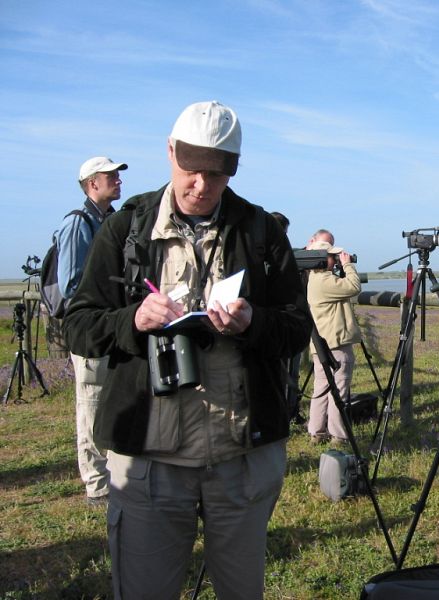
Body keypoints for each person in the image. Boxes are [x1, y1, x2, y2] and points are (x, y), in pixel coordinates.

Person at [64, 100, 312, 599]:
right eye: (191, 171)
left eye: (216, 176)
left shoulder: (262, 232)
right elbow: (78, 325)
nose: (201, 186)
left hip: (241, 460)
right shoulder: (125, 228)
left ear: (233, 171)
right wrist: (132, 320)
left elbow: (296, 329)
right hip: (149, 466)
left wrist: (253, 323)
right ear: (170, 151)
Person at [58, 156, 128, 505]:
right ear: (91, 184)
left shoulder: (112, 222)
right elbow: (72, 285)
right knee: (92, 402)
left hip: (114, 324)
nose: (118, 180)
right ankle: (97, 484)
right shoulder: (78, 223)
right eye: (110, 176)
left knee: (111, 398)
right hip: (94, 329)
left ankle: (113, 475)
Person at [306, 238, 361, 444]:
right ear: (322, 259)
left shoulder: (315, 279)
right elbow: (354, 286)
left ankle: (316, 432)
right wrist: (348, 265)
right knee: (339, 389)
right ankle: (339, 435)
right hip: (336, 344)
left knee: (321, 389)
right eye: (332, 256)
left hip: (321, 344)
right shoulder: (326, 282)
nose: (336, 259)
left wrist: (339, 267)